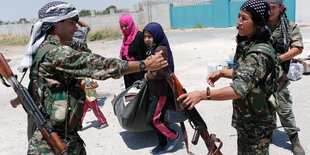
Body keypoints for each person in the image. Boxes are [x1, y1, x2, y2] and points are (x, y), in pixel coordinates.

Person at [18, 1, 168, 154]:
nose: (76, 28)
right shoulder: (55, 53)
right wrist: (145, 65)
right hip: (50, 143)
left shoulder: (49, 48)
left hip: (65, 135)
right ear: (57, 23)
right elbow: (99, 65)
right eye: (71, 23)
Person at [177, 0, 279, 154]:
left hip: (256, 126)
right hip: (249, 120)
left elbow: (239, 89)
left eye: (244, 18)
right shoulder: (250, 43)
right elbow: (248, 75)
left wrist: (203, 95)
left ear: (257, 23)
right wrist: (223, 73)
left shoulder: (257, 54)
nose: (239, 22)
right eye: (239, 16)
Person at [265, 0, 305, 154]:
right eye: (267, 8)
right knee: (265, 107)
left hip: (280, 75)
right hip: (261, 74)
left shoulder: (289, 26)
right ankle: (268, 132)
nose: (269, 11)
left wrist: (278, 59)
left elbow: (298, 48)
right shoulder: (259, 24)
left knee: (284, 108)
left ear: (281, 7)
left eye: (273, 8)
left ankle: (294, 139)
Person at [143, 22, 178, 154]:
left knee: (152, 120)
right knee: (159, 118)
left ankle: (174, 136)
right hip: (155, 90)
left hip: (160, 92)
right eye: (145, 36)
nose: (147, 39)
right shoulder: (155, 48)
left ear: (157, 35)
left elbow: (162, 73)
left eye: (150, 36)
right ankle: (162, 143)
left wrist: (147, 76)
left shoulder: (160, 50)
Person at [119, 14, 148, 88]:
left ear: (131, 24)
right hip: (128, 73)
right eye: (122, 27)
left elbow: (143, 57)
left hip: (138, 73)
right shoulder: (125, 39)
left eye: (126, 26)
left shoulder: (139, 36)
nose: (124, 29)